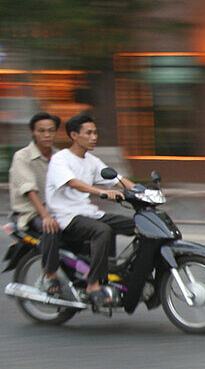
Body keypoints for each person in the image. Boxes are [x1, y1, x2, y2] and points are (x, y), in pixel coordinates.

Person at [43, 114, 136, 307]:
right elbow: (73, 182)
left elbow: (116, 179)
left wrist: (142, 192)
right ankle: (92, 285)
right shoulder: (60, 159)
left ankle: (118, 272)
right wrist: (101, 192)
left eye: (95, 133)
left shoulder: (92, 161)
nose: (94, 137)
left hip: (88, 213)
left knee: (138, 226)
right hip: (66, 216)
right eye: (89, 133)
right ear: (74, 135)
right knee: (102, 230)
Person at [8, 112, 61, 293]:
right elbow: (29, 189)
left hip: (57, 210)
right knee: (51, 228)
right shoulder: (22, 156)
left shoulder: (59, 156)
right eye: (42, 131)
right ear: (33, 132)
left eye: (51, 131)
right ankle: (49, 276)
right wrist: (45, 216)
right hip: (32, 213)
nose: (47, 135)